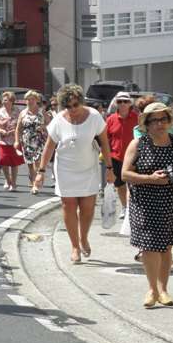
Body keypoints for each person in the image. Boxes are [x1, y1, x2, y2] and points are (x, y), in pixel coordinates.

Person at [122, 102, 173, 308]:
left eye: (163, 119)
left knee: (166, 247)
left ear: (169, 121)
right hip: (146, 202)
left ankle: (164, 290)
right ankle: (152, 290)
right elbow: (125, 174)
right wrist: (150, 178)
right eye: (154, 120)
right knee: (150, 247)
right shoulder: (138, 144)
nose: (160, 124)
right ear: (146, 124)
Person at [37, 84, 115, 263]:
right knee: (68, 206)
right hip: (65, 168)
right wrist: (41, 171)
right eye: (68, 106)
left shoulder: (95, 117)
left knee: (87, 208)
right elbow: (49, 146)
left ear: (82, 102)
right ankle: (74, 246)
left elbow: (104, 143)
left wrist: (110, 169)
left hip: (89, 168)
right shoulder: (58, 120)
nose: (72, 109)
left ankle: (84, 238)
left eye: (75, 105)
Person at [105, 91, 139, 213]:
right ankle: (125, 207)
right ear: (116, 103)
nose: (123, 104)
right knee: (119, 184)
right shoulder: (110, 119)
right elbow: (106, 139)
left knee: (133, 183)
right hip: (116, 157)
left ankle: (132, 208)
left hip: (134, 157)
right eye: (120, 101)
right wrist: (107, 157)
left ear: (130, 103)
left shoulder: (138, 118)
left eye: (126, 101)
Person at [14, 90, 47, 195]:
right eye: (28, 99)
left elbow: (51, 124)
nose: (30, 101)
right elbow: (18, 129)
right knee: (30, 164)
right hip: (26, 141)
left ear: (36, 100)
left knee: (37, 163)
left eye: (32, 99)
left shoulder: (42, 112)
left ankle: (36, 185)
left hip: (39, 140)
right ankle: (33, 183)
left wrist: (43, 127)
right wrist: (16, 141)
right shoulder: (23, 113)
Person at [0, 91, 22, 191]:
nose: (4, 102)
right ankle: (8, 180)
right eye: (4, 100)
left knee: (14, 163)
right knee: (4, 161)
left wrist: (15, 131)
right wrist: (2, 131)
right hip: (2, 140)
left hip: (14, 140)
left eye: (6, 100)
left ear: (12, 101)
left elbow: (20, 125)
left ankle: (13, 183)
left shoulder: (18, 111)